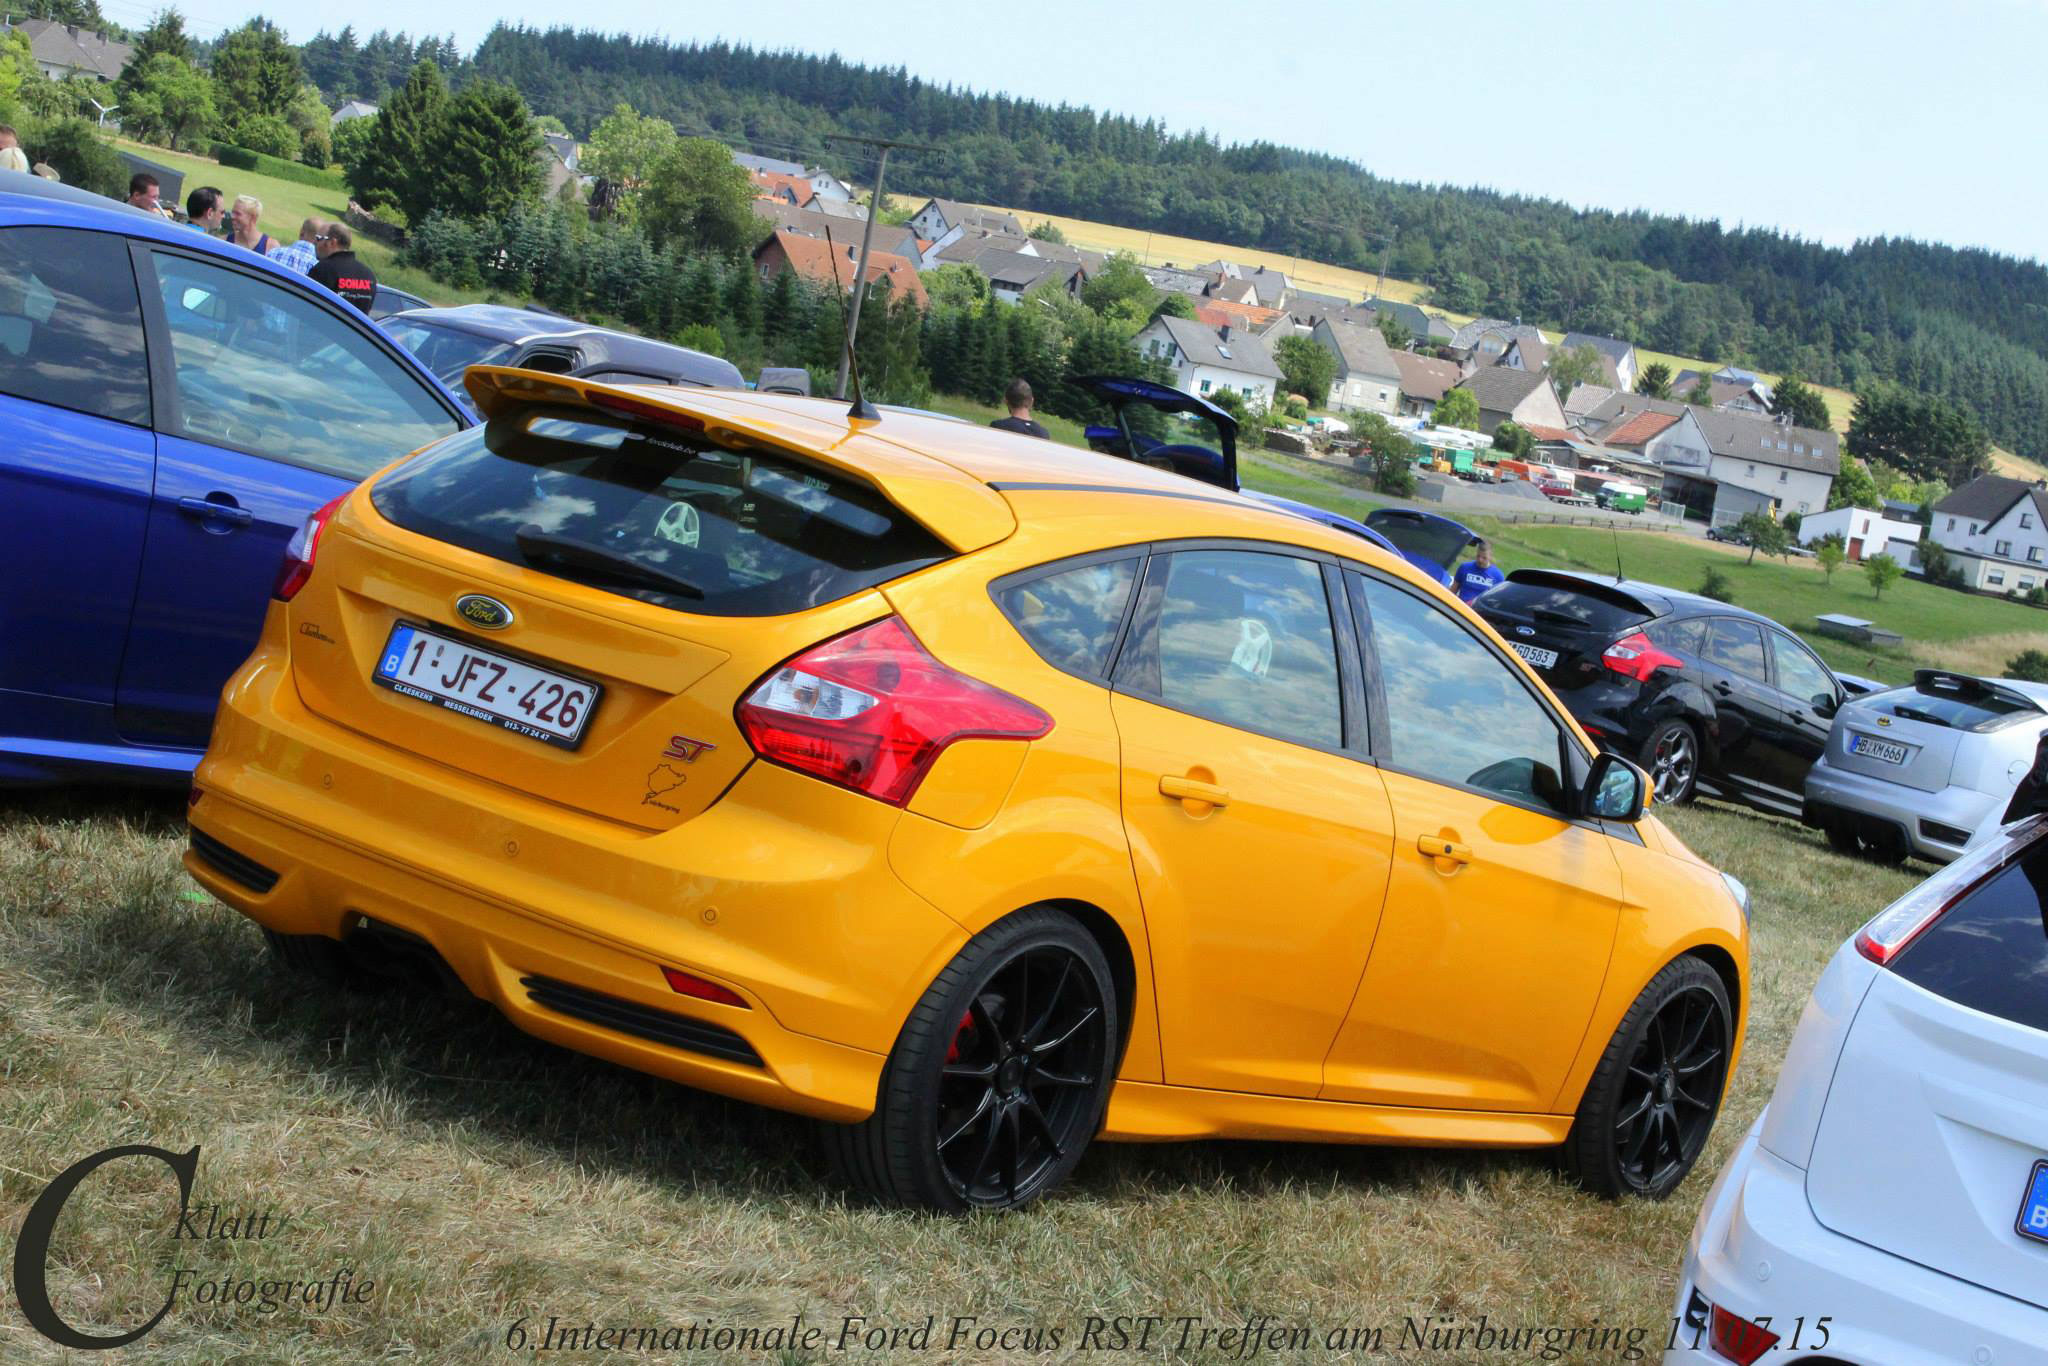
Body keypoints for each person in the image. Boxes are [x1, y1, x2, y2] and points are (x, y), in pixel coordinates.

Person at [308, 221, 377, 314]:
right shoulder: (369, 276)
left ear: (332, 242)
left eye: (319, 238)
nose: (314, 242)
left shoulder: (322, 270)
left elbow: (307, 308)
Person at [1451, 539, 1505, 604]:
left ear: (1490, 557)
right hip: (1461, 608)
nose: (1480, 560)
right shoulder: (1464, 567)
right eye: (1478, 556)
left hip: (1479, 612)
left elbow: (1499, 601)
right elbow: (1452, 591)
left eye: (1484, 558)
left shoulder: (1498, 576)